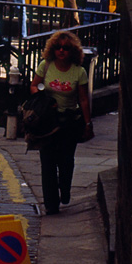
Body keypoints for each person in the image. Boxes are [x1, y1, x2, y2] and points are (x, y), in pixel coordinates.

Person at [30, 30, 93, 214]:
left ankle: (64, 190)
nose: (61, 51)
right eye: (58, 47)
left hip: (68, 123)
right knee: (47, 162)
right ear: (53, 49)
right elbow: (34, 85)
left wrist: (88, 123)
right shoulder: (46, 65)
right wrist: (43, 99)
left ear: (72, 51)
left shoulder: (78, 71)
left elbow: (83, 99)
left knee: (66, 162)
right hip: (47, 121)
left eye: (66, 48)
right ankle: (51, 204)